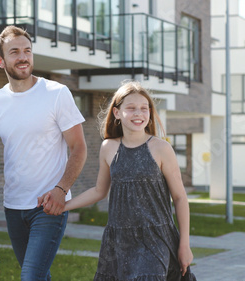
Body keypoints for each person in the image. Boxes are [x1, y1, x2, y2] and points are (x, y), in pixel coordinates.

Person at [42, 80, 196, 280]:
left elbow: (180, 198)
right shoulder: (108, 147)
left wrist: (184, 245)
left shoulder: (161, 148)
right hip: (119, 241)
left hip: (156, 238)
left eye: (143, 108)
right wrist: (63, 206)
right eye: (131, 108)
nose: (138, 114)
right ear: (116, 113)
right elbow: (99, 191)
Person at [0, 25, 87, 280]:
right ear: (1, 61)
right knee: (37, 275)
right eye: (14, 52)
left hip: (48, 206)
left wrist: (61, 190)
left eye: (27, 50)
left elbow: (78, 147)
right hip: (13, 206)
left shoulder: (56, 94)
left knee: (31, 276)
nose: (23, 57)